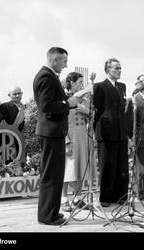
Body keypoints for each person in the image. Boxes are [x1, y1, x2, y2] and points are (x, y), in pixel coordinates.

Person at [33, 47, 80, 225]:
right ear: (54, 60)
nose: (66, 65)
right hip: (50, 132)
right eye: (64, 61)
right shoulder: (46, 76)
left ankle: (51, 212)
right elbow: (46, 106)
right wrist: (67, 103)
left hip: (52, 132)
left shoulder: (48, 75)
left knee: (55, 173)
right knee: (51, 175)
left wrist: (67, 103)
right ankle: (47, 215)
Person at [93, 58, 129, 207]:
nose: (119, 71)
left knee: (122, 166)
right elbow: (96, 110)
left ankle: (120, 196)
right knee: (107, 165)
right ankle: (106, 197)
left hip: (121, 132)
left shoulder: (122, 86)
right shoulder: (99, 87)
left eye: (120, 68)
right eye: (116, 68)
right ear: (108, 70)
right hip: (106, 132)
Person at [61, 72, 96, 212]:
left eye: (83, 82)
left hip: (84, 135)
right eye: (80, 82)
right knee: (68, 169)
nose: (82, 85)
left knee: (81, 168)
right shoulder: (65, 98)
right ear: (72, 83)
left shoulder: (85, 99)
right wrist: (66, 141)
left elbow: (93, 118)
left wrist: (88, 112)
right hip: (70, 135)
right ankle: (64, 200)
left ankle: (77, 198)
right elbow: (60, 121)